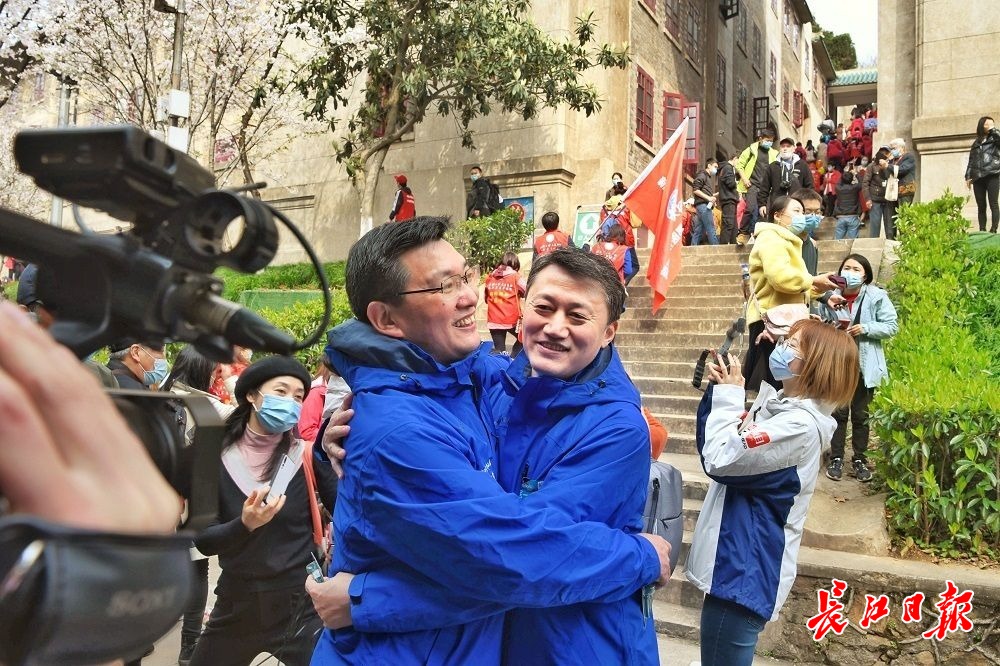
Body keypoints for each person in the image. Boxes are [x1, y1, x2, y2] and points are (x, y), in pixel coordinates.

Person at [305, 218, 670, 664]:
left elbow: (523, 562)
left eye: (578, 316)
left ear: (609, 331)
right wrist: (342, 434)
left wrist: (365, 600)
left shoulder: (614, 430)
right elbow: (507, 561)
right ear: (522, 310)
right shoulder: (490, 381)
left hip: (576, 646)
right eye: (544, 307)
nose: (556, 327)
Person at [688, 319, 859, 666]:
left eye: (792, 345)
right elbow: (719, 447)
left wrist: (729, 398)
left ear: (816, 366)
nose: (780, 349)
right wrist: (721, 393)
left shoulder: (797, 428)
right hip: (738, 566)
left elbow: (720, 459)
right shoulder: (781, 411)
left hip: (744, 570)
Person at [188, 355, 337, 666]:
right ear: (252, 396)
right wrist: (244, 524)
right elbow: (204, 539)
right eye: (281, 391)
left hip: (299, 603)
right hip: (238, 602)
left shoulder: (306, 456)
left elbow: (346, 511)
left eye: (298, 396)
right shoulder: (212, 457)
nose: (290, 402)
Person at [161, 346, 237, 665]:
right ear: (202, 370)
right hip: (192, 503)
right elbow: (247, 415)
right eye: (214, 369)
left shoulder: (159, 395)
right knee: (197, 570)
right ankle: (189, 646)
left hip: (161, 501)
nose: (216, 374)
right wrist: (231, 379)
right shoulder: (205, 405)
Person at [742, 196, 836, 392]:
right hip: (770, 322)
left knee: (782, 384)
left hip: (784, 321)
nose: (803, 216)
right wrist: (813, 280)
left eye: (803, 212)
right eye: (797, 211)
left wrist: (821, 290)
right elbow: (780, 278)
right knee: (771, 385)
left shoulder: (789, 241)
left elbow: (794, 287)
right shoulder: (771, 237)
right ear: (777, 215)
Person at [825, 254, 898, 483]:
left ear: (865, 275)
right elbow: (821, 324)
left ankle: (859, 459)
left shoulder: (876, 296)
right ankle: (836, 458)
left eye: (856, 269)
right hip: (838, 364)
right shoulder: (830, 296)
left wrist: (865, 328)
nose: (850, 272)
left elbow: (891, 326)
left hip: (865, 366)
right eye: (846, 268)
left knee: (860, 415)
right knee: (837, 414)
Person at [735, 127, 778, 245]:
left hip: (766, 188)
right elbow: (739, 165)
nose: (769, 143)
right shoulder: (750, 150)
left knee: (763, 213)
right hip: (752, 184)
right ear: (760, 139)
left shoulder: (774, 153)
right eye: (767, 140)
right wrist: (745, 179)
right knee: (750, 208)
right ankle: (742, 233)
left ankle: (758, 236)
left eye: (771, 141)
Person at [757, 137, 814, 219]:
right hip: (777, 207)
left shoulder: (802, 165)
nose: (785, 149)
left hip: (797, 208)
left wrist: (808, 205)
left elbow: (809, 186)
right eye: (782, 146)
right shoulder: (773, 166)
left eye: (788, 146)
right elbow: (764, 187)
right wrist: (762, 204)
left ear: (793, 149)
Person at [484, 251, 526, 355]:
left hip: (494, 320)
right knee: (525, 338)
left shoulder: (490, 278)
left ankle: (503, 363)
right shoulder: (515, 277)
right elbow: (527, 291)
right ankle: (513, 357)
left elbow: (486, 299)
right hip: (512, 320)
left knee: (499, 351)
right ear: (515, 263)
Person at [965, 116, 1000, 233]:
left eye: (992, 124)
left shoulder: (995, 138)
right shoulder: (976, 142)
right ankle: (982, 229)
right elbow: (971, 160)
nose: (990, 126)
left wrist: (993, 130)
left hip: (992, 174)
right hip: (978, 177)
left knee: (993, 203)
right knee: (981, 206)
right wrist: (968, 176)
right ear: (981, 126)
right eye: (987, 124)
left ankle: (994, 229)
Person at [599, 194, 641, 283]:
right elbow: (636, 223)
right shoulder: (626, 210)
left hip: (607, 243)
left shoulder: (603, 211)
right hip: (625, 242)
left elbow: (601, 226)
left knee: (611, 265)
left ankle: (614, 283)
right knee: (634, 266)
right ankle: (622, 283)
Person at [884, 138, 916, 241]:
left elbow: (902, 170)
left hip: (905, 191)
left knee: (903, 215)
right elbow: (886, 175)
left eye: (894, 148)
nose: (892, 151)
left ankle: (905, 239)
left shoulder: (909, 157)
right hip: (892, 192)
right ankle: (890, 239)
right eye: (891, 149)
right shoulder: (892, 160)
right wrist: (884, 166)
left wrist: (887, 166)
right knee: (890, 216)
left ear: (901, 148)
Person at [790, 188, 824, 274]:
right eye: (807, 212)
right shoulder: (784, 242)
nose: (813, 216)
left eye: (817, 212)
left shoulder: (813, 245)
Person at [691, 158, 720, 246]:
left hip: (702, 206)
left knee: (699, 229)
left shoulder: (706, 177)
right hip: (704, 206)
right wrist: (709, 198)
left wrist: (713, 195)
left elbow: (702, 191)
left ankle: (693, 247)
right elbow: (696, 189)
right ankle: (716, 249)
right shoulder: (702, 175)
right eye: (715, 167)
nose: (716, 169)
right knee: (711, 228)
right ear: (709, 166)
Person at [863, 150, 890, 238]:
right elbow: (865, 183)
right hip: (875, 200)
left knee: (890, 227)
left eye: (887, 153)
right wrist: (868, 199)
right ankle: (873, 243)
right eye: (884, 153)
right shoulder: (871, 166)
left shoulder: (890, 165)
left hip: (888, 200)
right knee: (875, 227)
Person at [832, 171, 864, 240]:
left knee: (837, 241)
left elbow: (838, 182)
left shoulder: (838, 188)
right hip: (853, 216)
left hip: (840, 216)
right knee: (852, 241)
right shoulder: (855, 188)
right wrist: (856, 173)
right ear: (852, 179)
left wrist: (843, 176)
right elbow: (862, 183)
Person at [717, 153, 740, 244]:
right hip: (728, 199)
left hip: (729, 199)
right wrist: (736, 182)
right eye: (738, 161)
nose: (738, 164)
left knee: (733, 225)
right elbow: (730, 183)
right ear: (735, 158)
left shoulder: (725, 168)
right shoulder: (728, 167)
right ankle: (724, 246)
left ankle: (733, 244)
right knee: (728, 224)